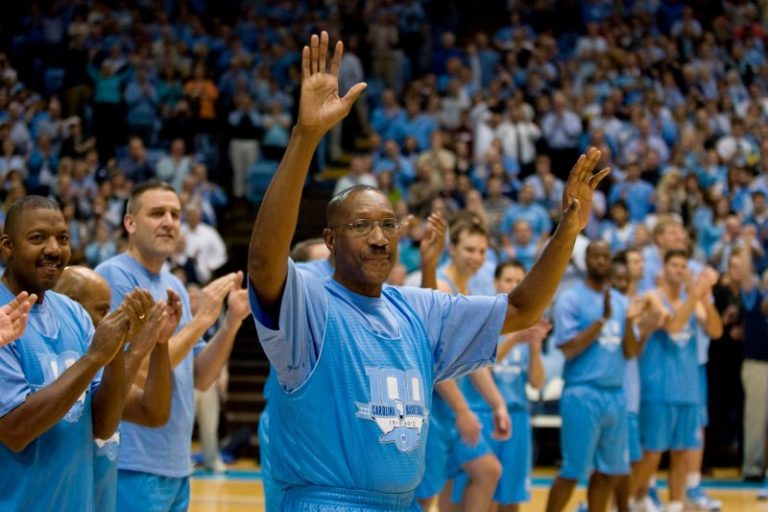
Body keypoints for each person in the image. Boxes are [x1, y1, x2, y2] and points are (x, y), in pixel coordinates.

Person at [247, 32, 609, 510]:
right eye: (361, 226)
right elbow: (263, 263)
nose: (379, 237)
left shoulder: (420, 309)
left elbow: (522, 309)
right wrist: (306, 137)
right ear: (330, 241)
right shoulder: (311, 304)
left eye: (388, 225)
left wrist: (568, 229)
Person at [96, 181, 251, 512]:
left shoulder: (174, 285)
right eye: (157, 213)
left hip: (176, 462)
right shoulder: (113, 277)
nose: (169, 222)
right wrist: (201, 320)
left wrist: (230, 323)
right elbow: (134, 374)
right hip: (131, 461)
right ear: (130, 223)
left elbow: (200, 376)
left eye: (175, 214)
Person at [0, 196, 149, 510]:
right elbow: (14, 430)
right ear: (7, 246)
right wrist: (95, 357)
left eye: (63, 238)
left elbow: (103, 426)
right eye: (38, 238)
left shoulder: (74, 313)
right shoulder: (2, 318)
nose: (54, 249)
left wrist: (115, 350)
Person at [54, 266, 178, 512]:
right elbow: (97, 421)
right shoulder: (58, 366)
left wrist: (160, 342)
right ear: (71, 304)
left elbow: (153, 412)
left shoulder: (102, 367)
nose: (111, 318)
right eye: (103, 310)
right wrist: (136, 350)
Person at [417, 220, 510, 512]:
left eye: (482, 251)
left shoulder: (465, 290)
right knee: (423, 496)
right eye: (470, 249)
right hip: (432, 408)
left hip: (450, 408)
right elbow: (434, 362)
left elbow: (471, 360)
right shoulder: (441, 287)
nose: (476, 257)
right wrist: (463, 411)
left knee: (488, 471)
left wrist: (497, 404)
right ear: (452, 249)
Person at [545, 241, 644, 512]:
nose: (600, 261)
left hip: (615, 395)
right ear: (585, 260)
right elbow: (568, 349)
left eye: (605, 256)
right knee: (572, 471)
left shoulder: (621, 302)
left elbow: (631, 352)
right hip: (582, 392)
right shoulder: (571, 299)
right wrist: (601, 321)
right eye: (595, 256)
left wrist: (631, 322)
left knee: (608, 473)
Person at [454, 260, 548, 512]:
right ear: (496, 282)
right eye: (508, 280)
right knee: (483, 491)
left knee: (512, 496)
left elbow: (537, 383)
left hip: (517, 417)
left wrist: (535, 347)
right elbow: (481, 367)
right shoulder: (485, 322)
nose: (514, 285)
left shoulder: (527, 325)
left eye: (519, 281)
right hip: (484, 415)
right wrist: (514, 340)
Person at [632, 252, 722, 512]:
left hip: (688, 388)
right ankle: (629, 502)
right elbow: (673, 326)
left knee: (682, 452)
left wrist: (704, 298)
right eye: (674, 265)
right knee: (651, 453)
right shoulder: (651, 297)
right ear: (664, 268)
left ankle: (674, 505)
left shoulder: (693, 301)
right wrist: (695, 295)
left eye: (684, 265)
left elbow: (715, 331)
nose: (680, 270)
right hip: (657, 388)